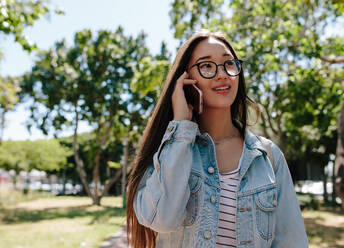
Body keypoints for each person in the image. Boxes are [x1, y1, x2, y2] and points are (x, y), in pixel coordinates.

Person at [126, 30, 308, 248]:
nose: (222, 74)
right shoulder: (169, 152)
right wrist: (182, 126)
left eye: (229, 64)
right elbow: (162, 219)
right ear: (185, 80)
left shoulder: (268, 157)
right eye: (207, 66)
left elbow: (292, 242)